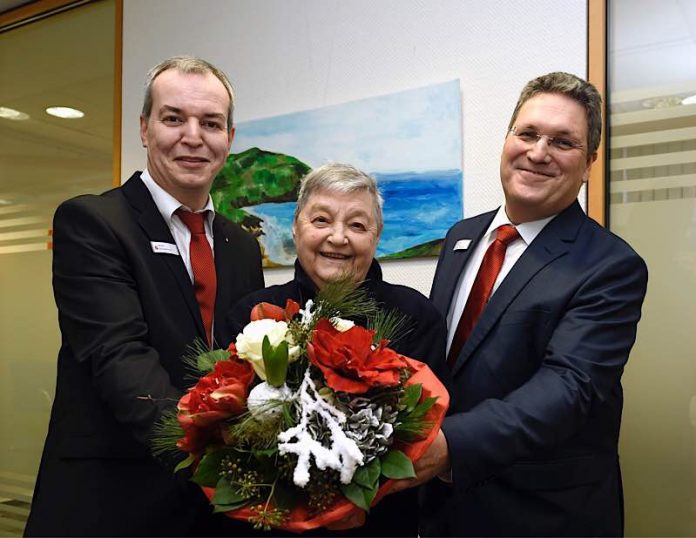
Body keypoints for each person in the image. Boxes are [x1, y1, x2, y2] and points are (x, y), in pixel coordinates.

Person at [395, 72, 649, 536]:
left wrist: (451, 444)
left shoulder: (612, 266)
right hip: (443, 507)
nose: (537, 152)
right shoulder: (461, 237)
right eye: (527, 133)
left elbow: (570, 387)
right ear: (507, 138)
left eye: (563, 142)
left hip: (540, 512)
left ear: (589, 162)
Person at [25, 56, 264, 537]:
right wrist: (209, 457)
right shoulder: (92, 223)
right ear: (144, 128)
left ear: (229, 139)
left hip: (214, 508)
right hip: (113, 500)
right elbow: (118, 356)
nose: (193, 136)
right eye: (173, 118)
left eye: (211, 123)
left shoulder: (240, 245)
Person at [224, 162, 447, 537]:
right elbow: (230, 433)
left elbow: (424, 436)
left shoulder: (415, 316)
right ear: (296, 228)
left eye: (357, 225)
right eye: (321, 220)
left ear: (377, 237)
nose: (338, 237)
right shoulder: (252, 317)